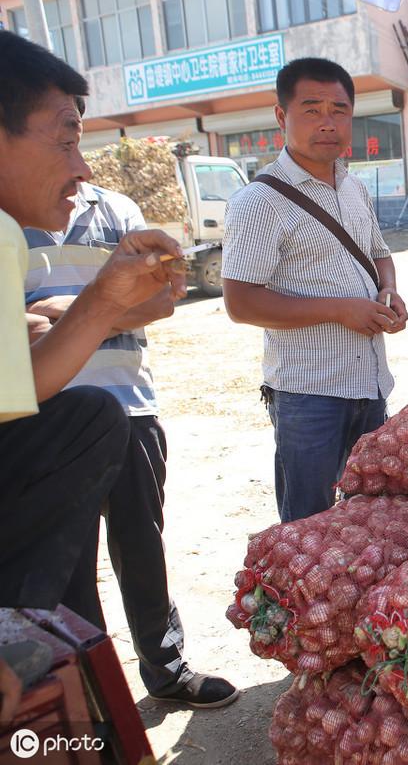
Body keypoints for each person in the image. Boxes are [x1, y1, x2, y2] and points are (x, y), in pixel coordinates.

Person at [24, 182, 239, 708]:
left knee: (142, 545)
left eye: (76, 132)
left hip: (130, 407)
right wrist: (103, 306)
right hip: (44, 418)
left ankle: (167, 669)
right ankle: (92, 691)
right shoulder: (12, 219)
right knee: (66, 565)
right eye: (60, 135)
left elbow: (161, 301)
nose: (73, 155)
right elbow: (17, 331)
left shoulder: (118, 212)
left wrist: (64, 310)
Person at [0, 30, 182, 627]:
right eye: (66, 141)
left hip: (123, 404)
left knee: (87, 421)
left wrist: (98, 301)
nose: (81, 167)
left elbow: (18, 386)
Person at [223, 57, 407, 523]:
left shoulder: (353, 187)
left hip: (370, 386)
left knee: (369, 520)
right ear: (282, 117)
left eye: (339, 110)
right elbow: (241, 303)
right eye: (312, 109)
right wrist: (340, 310)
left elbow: (379, 253)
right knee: (308, 526)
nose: (328, 123)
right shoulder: (259, 201)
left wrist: (388, 290)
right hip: (309, 395)